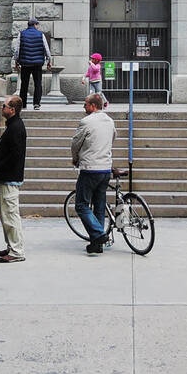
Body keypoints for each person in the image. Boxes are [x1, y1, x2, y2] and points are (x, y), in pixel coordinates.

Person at [70, 92, 115, 254]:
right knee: (99, 206)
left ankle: (99, 233)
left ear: (93, 106)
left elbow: (76, 143)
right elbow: (112, 139)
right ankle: (97, 244)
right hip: (105, 168)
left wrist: (75, 158)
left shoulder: (86, 122)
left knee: (81, 205)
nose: (84, 107)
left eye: (86, 104)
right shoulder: (110, 121)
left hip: (90, 168)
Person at [0, 95, 28, 263]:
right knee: (6, 215)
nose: (1, 108)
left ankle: (17, 251)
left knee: (10, 215)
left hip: (10, 177)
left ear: (12, 109)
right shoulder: (13, 126)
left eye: (4, 106)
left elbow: (14, 155)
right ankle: (12, 246)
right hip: (7, 176)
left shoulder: (16, 127)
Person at [13, 18, 52, 110]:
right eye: (37, 25)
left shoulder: (21, 34)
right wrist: (49, 61)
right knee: (38, 84)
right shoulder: (40, 34)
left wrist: (16, 61)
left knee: (24, 84)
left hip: (25, 63)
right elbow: (46, 49)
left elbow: (17, 50)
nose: (38, 26)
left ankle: (23, 104)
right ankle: (36, 104)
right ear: (35, 25)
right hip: (37, 64)